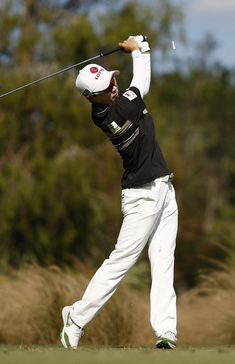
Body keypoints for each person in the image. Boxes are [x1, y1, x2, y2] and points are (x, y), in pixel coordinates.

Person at [60, 36, 178, 349]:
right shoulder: (116, 111)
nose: (113, 87)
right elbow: (143, 82)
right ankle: (77, 318)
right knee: (120, 262)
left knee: (163, 262)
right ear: (91, 98)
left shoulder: (111, 104)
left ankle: (166, 332)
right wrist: (139, 50)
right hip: (142, 197)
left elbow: (139, 81)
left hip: (163, 188)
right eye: (105, 88)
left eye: (112, 80)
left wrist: (143, 49)